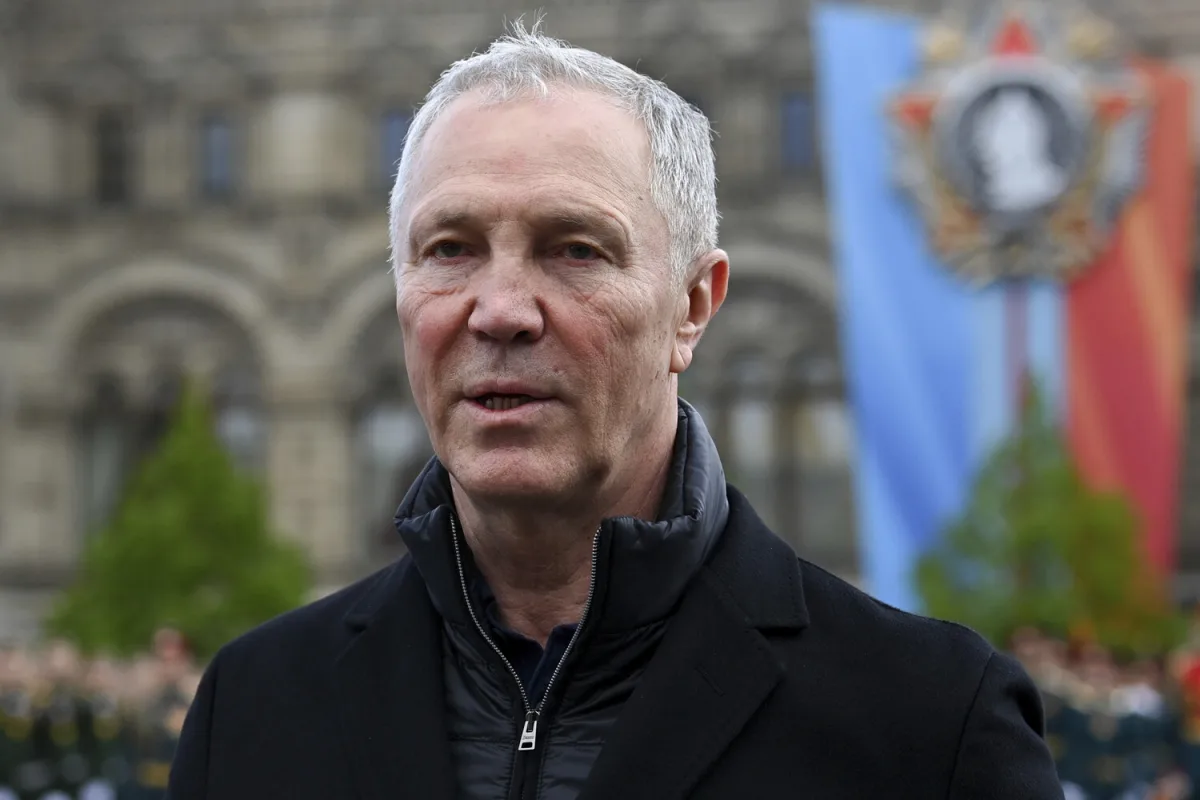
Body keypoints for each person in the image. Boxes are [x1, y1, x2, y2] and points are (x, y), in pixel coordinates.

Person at [167, 23, 1062, 799]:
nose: (500, 310)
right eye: (450, 248)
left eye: (575, 249)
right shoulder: (253, 708)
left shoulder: (933, 723)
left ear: (692, 307)